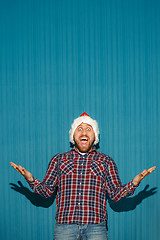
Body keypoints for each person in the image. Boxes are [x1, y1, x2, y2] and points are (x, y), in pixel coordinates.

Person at [10, 112, 156, 240]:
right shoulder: (59, 159)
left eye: (88, 129)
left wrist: (134, 183)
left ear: (95, 136)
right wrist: (31, 179)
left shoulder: (106, 161)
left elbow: (115, 194)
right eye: (79, 129)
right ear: (73, 135)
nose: (84, 132)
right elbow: (47, 191)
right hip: (65, 227)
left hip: (96, 228)